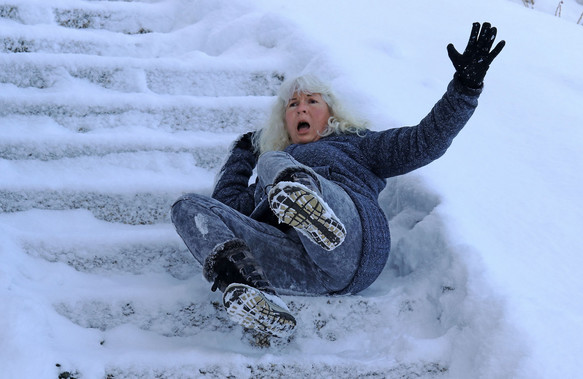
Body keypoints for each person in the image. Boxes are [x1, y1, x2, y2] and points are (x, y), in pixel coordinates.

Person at [171, 22, 505, 338]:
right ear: (284, 120)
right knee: (187, 207)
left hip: (352, 245)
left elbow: (424, 142)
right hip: (298, 267)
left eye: (311, 101)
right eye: (293, 105)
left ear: (330, 113)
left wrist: (465, 89)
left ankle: (311, 208)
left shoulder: (358, 144)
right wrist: (244, 152)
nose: (301, 109)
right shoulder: (266, 177)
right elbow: (225, 208)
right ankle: (252, 289)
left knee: (276, 161)